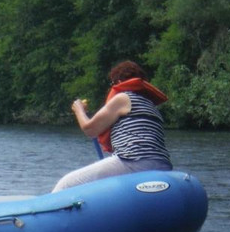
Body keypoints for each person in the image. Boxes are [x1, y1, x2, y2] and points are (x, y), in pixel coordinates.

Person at [52, 60, 172, 192]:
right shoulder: (151, 106)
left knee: (65, 184)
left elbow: (90, 130)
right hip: (162, 165)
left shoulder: (123, 98)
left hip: (133, 162)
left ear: (119, 82)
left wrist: (79, 109)